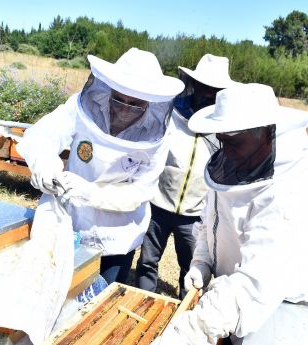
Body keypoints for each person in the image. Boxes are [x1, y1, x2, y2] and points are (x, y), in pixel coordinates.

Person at [154, 83, 308, 345]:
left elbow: (258, 282)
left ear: (265, 133)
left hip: (286, 311)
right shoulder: (234, 165)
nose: (226, 148)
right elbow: (210, 221)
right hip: (241, 300)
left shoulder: (294, 190)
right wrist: (202, 262)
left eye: (234, 141)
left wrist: (194, 331)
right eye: (222, 139)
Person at [17, 48, 185, 284]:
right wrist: (44, 164)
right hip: (70, 220)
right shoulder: (83, 106)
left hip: (118, 234)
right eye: (119, 99)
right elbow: (43, 135)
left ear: (149, 103)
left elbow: (140, 191)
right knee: (60, 289)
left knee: (103, 298)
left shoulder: (158, 134)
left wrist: (90, 192)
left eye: (135, 104)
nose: (125, 109)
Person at [136, 54, 237, 299]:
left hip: (195, 213)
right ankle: (139, 299)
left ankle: (186, 309)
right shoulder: (172, 115)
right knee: (148, 260)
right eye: (204, 86)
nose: (208, 93)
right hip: (158, 204)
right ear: (194, 84)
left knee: (192, 267)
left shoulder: (223, 125)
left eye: (215, 89)